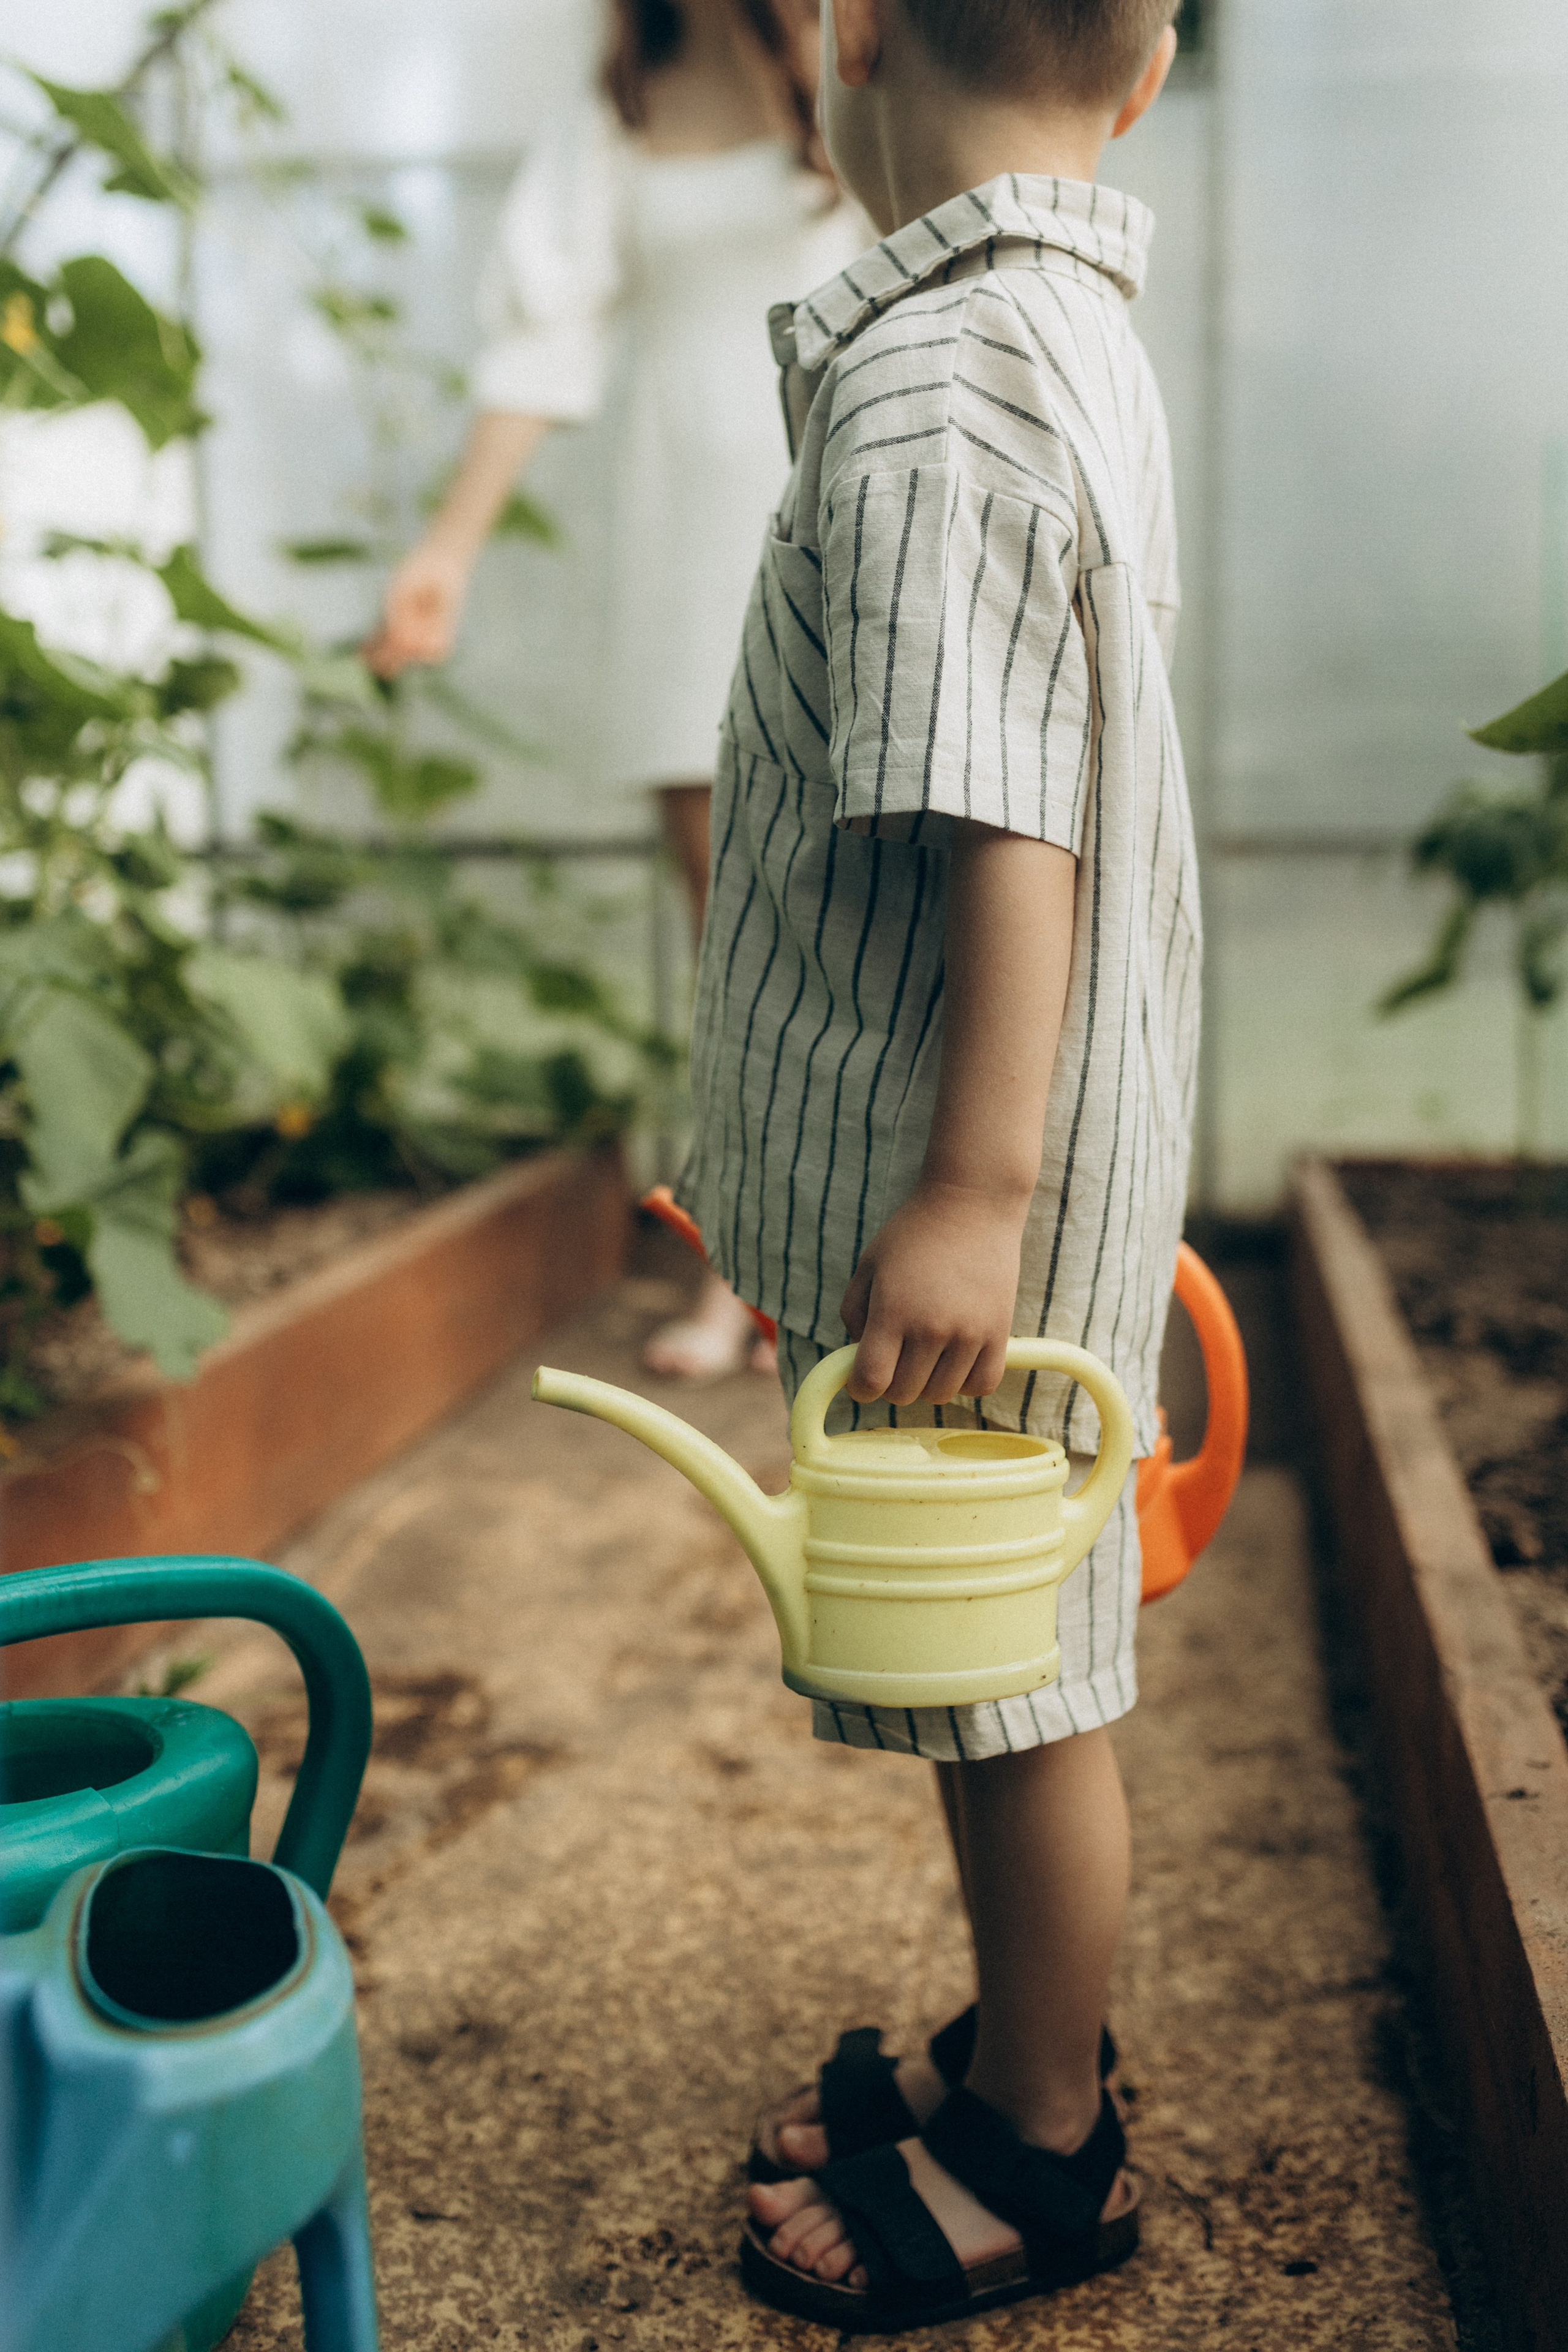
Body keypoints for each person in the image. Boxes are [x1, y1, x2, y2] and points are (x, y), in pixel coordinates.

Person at [673, 0, 1198, 2326]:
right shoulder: (1063, 325)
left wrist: (972, 1191)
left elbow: (1016, 821)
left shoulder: (936, 383)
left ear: (839, 36)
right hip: (1031, 1123)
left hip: (983, 1148)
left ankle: (1043, 2145)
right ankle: (1028, 2028)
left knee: (1022, 1681)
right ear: (1150, 70)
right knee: (1000, 1653)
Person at [364, 0, 866, 1378]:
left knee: (870, 906)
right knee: (727, 940)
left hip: (832, 505)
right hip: (680, 532)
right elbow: (542, 332)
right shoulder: (623, 99)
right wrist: (445, 552)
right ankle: (740, 1276)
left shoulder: (848, 52)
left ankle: (867, 1261)